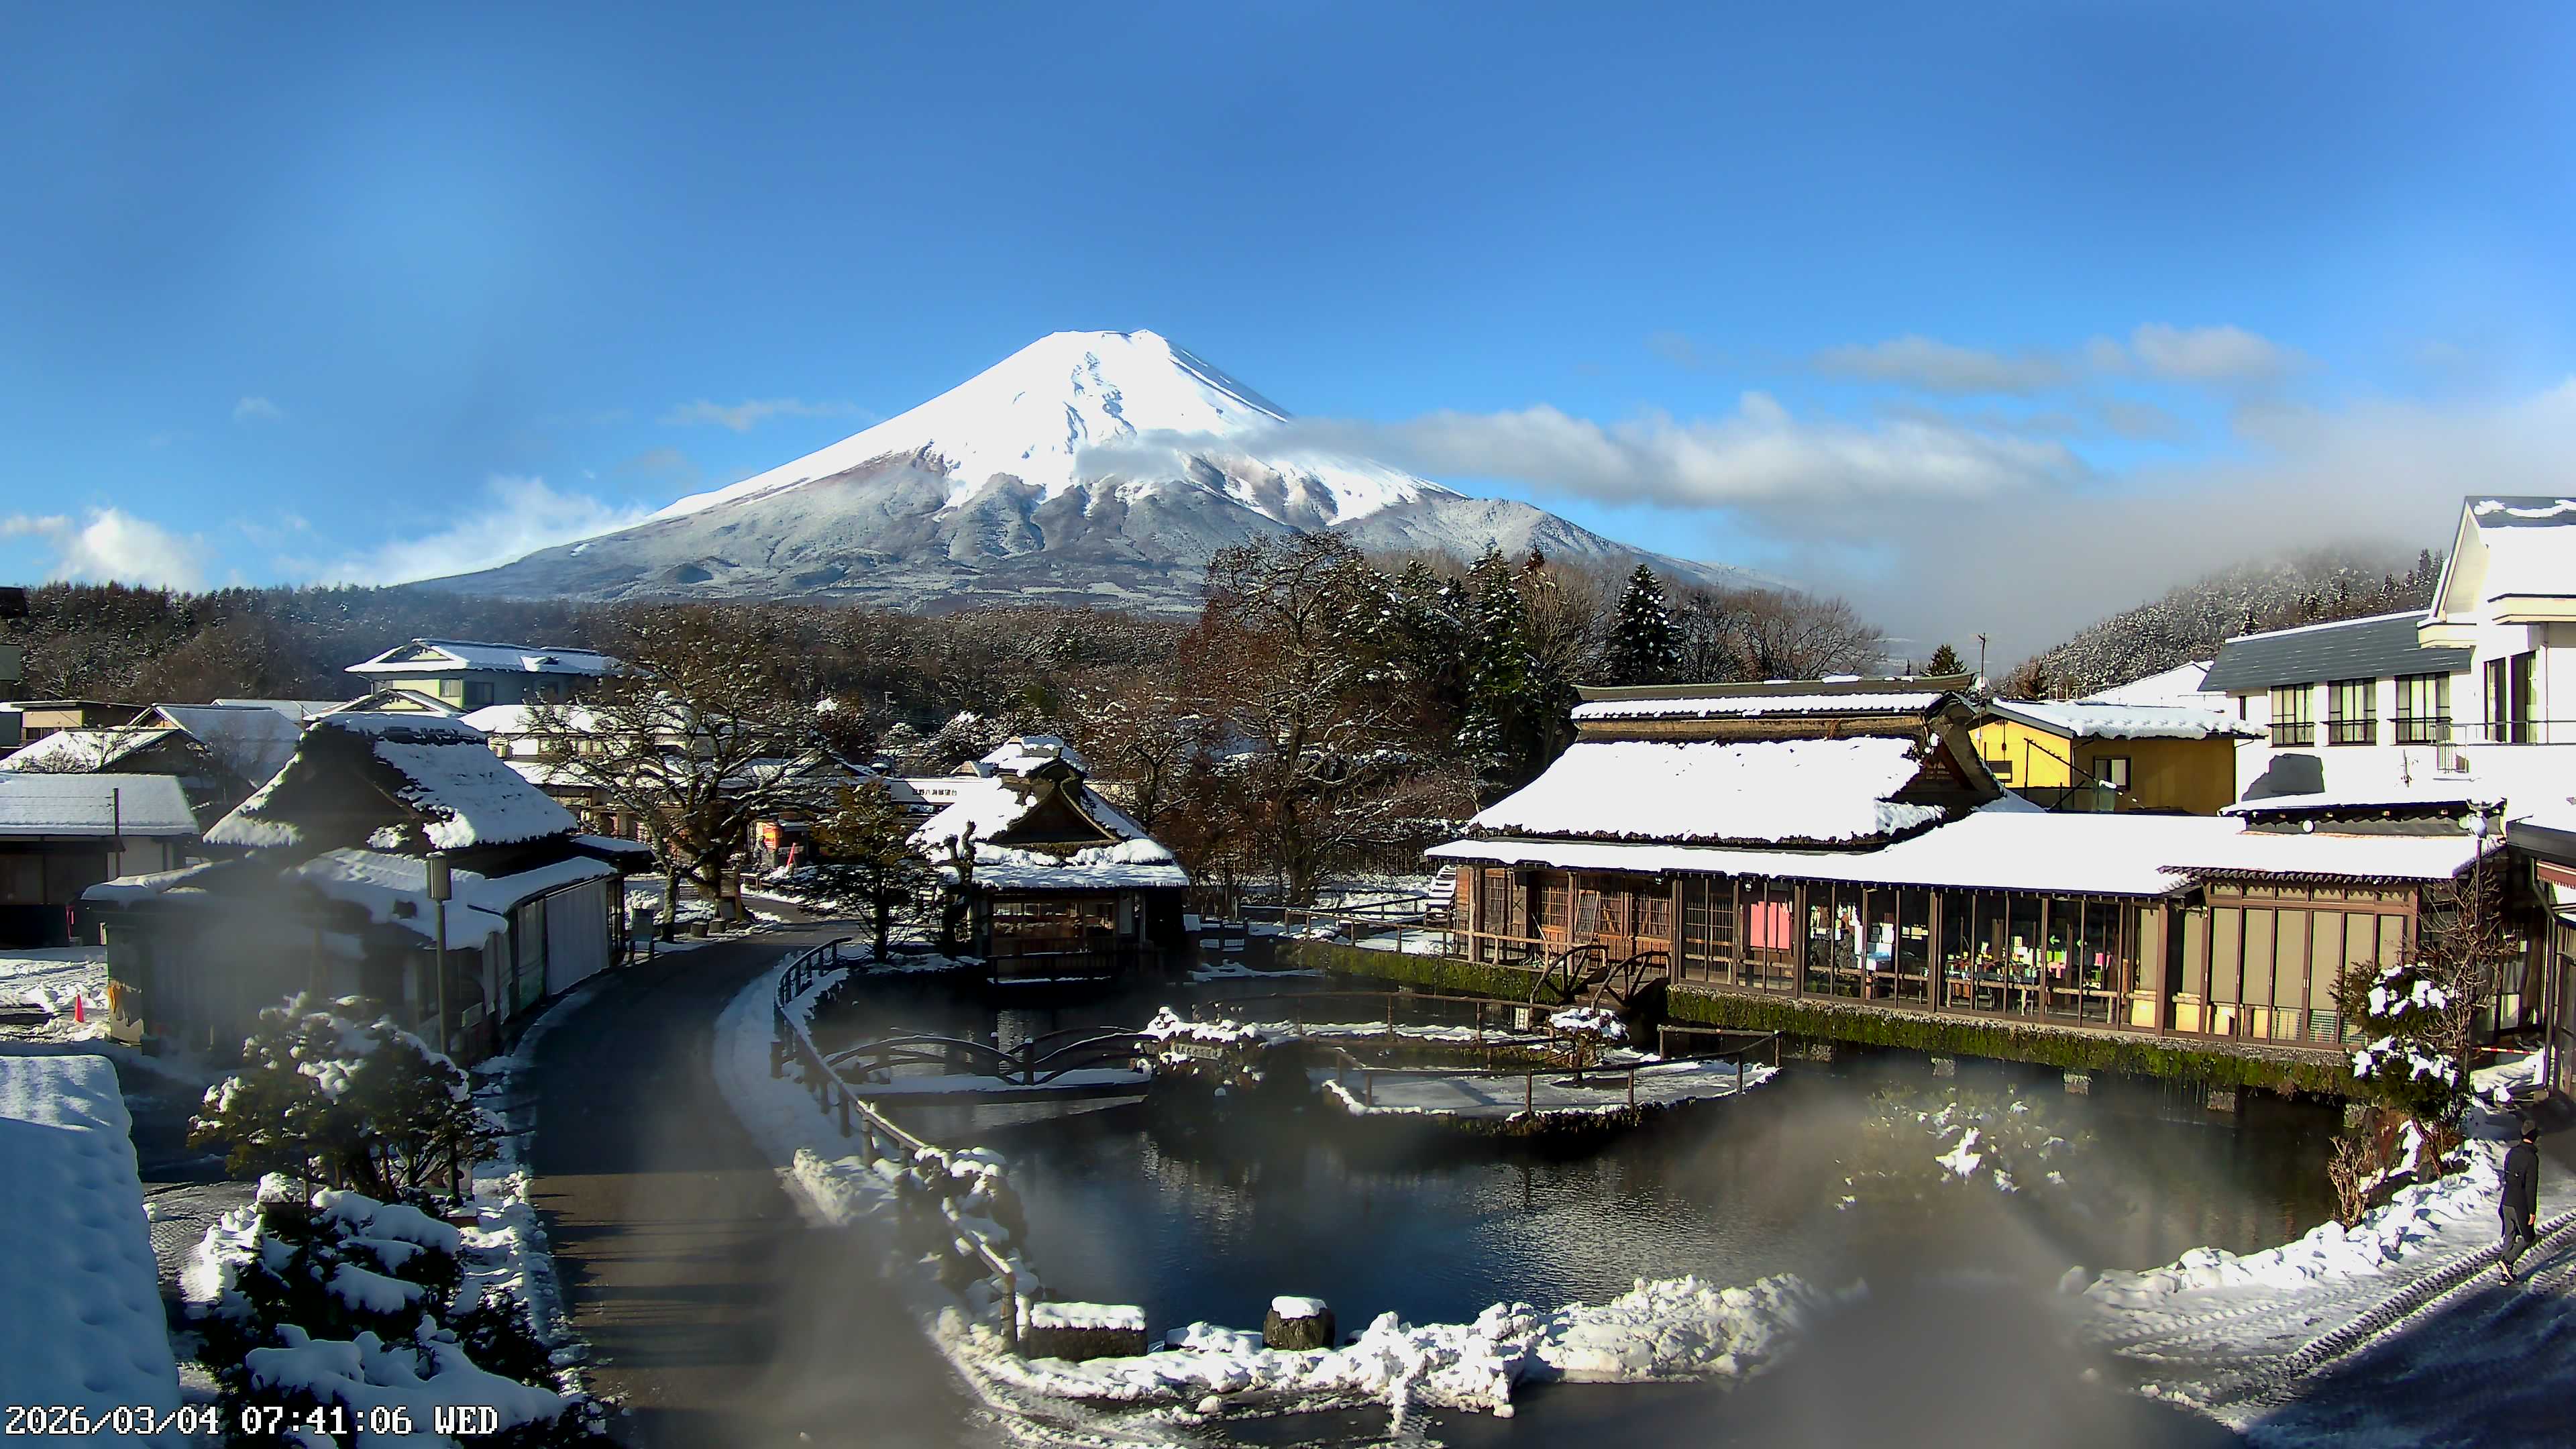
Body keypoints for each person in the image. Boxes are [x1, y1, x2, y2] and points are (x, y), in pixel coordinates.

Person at [2500, 1118, 2541, 1282]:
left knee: (2509, 1235)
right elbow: (2531, 1187)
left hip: (2506, 1199)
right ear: (2535, 1135)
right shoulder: (2532, 1158)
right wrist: (2532, 1211)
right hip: (2520, 1203)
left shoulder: (2512, 1152)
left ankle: (2505, 1275)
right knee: (2528, 1236)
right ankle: (2508, 1261)